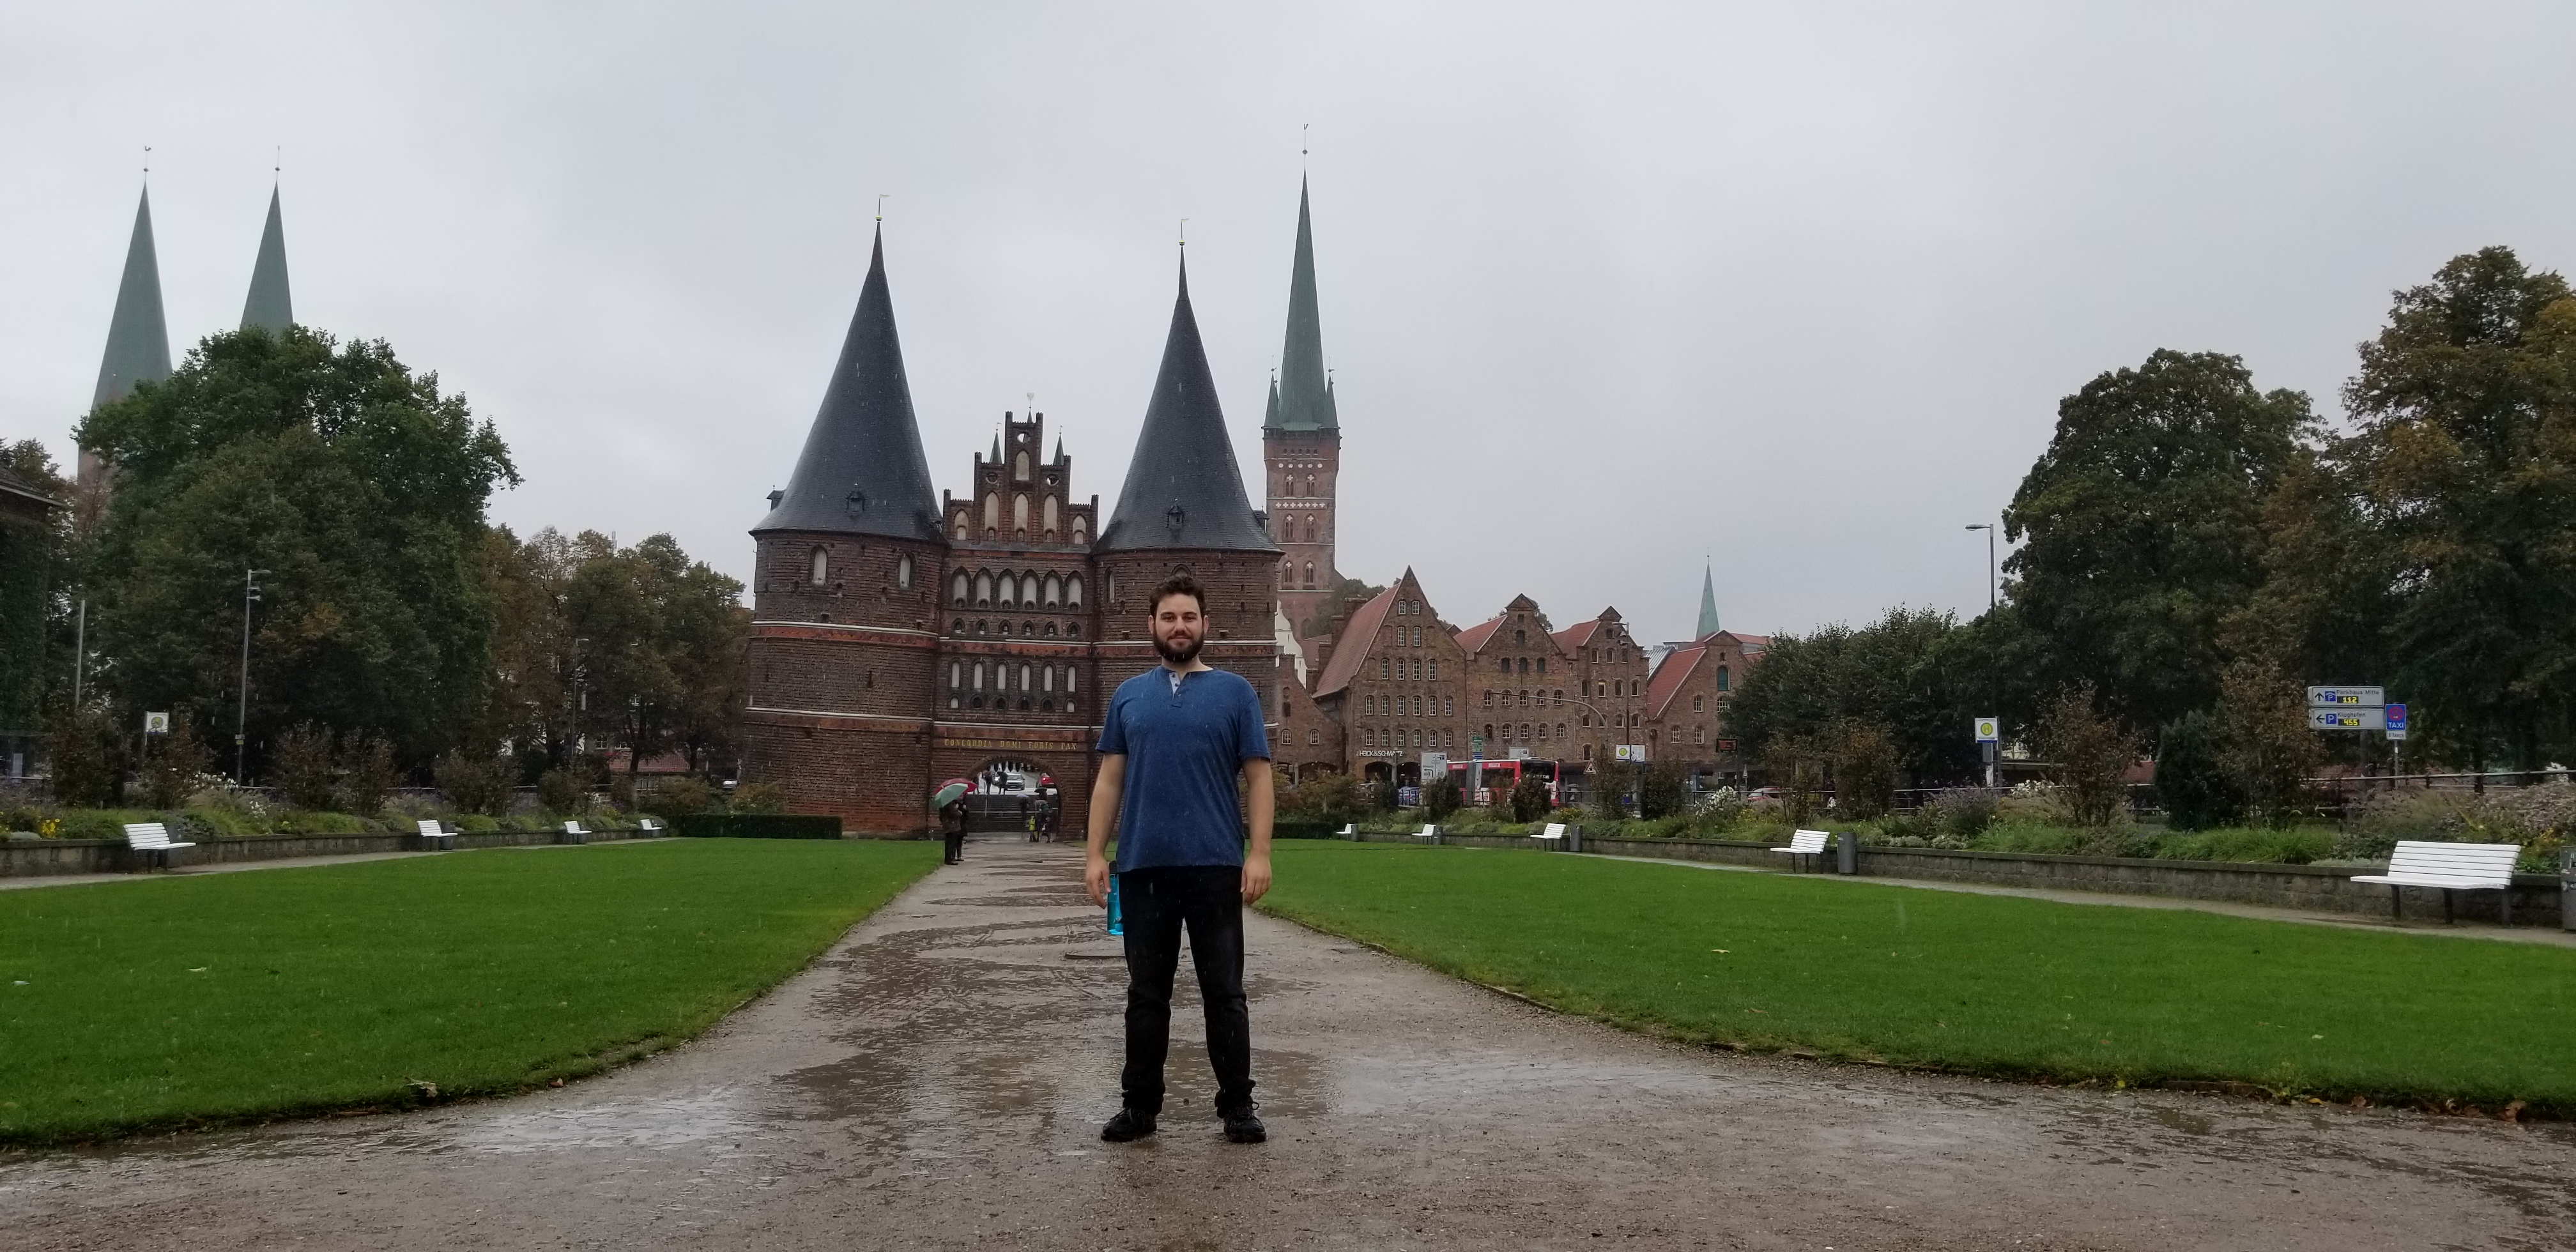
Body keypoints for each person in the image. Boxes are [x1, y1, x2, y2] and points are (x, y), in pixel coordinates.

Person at [1085, 572, 1273, 1145]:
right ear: (1152, 626)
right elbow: (1109, 780)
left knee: (1226, 993)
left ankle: (1237, 1106)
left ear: (1205, 626)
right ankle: (1139, 1108)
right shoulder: (1129, 695)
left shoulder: (1236, 692)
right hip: (1143, 866)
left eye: (1189, 617)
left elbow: (1260, 778)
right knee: (1146, 995)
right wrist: (1096, 854)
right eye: (1169, 617)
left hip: (1214, 863)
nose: (1179, 627)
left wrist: (1259, 852)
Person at [939, 796, 968, 865]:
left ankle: (949, 858)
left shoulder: (944, 803)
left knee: (950, 843)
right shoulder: (950, 804)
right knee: (951, 843)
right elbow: (953, 814)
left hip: (949, 825)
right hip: (952, 826)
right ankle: (950, 859)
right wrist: (959, 812)